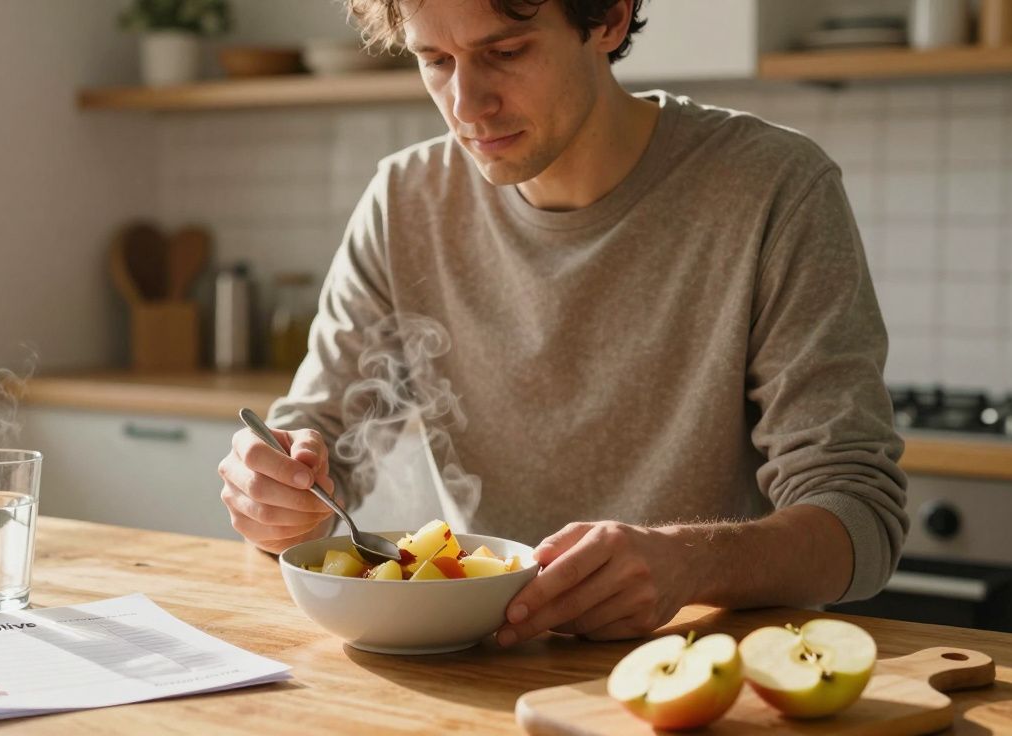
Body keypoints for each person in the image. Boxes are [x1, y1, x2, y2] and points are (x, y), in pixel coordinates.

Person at [217, 0, 907, 648]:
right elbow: (322, 439)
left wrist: (688, 563)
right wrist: (280, 492)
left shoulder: (775, 188)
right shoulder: (403, 201)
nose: (466, 105)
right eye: (435, 60)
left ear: (608, 17)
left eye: (506, 50)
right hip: (485, 670)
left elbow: (859, 517)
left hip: (707, 672)